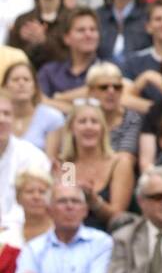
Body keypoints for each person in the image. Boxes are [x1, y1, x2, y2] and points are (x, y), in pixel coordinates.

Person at [11, 183, 112, 273]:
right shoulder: (33, 247)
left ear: (85, 210)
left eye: (75, 201)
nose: (69, 206)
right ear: (49, 210)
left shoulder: (101, 242)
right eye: (62, 201)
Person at [55, 101, 134, 230]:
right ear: (71, 129)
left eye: (94, 122)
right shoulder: (67, 165)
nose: (89, 127)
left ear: (103, 129)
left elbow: (118, 218)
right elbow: (64, 213)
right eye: (82, 122)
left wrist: (93, 200)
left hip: (109, 236)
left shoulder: (119, 162)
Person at [0, 89, 51, 223]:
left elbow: (39, 202)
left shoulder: (33, 155)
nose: (1, 119)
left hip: (21, 232)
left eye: (7, 114)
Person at [0, 170, 54, 273]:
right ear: (18, 198)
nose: (36, 197)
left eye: (42, 192)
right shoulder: (6, 237)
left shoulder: (61, 234)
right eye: (30, 192)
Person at [36, 7, 101, 104]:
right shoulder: (49, 72)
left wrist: (60, 97)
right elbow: (39, 102)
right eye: (81, 30)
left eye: (93, 29)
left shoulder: (107, 69)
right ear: (66, 38)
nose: (88, 34)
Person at [1, 61, 65, 151]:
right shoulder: (1, 118)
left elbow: (51, 160)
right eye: (15, 79)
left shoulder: (53, 117)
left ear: (35, 87)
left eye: (26, 79)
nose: (21, 83)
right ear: (5, 87)